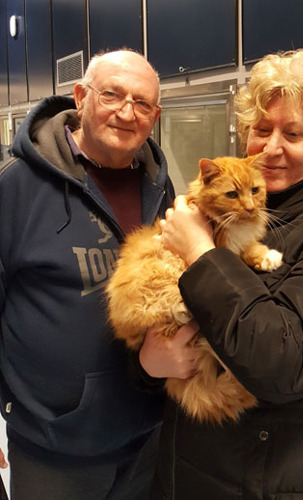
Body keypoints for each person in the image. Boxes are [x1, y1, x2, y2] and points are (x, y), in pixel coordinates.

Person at [138, 49, 303, 499]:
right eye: (261, 129)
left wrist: (199, 250)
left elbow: (282, 363)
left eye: (294, 133)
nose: (271, 147)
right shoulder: (254, 212)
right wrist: (148, 364)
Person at [0, 49, 196, 500]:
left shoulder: (158, 185)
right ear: (81, 97)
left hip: (147, 434)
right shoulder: (16, 185)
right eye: (112, 95)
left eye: (142, 104)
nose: (127, 113)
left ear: (156, 116)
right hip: (54, 448)